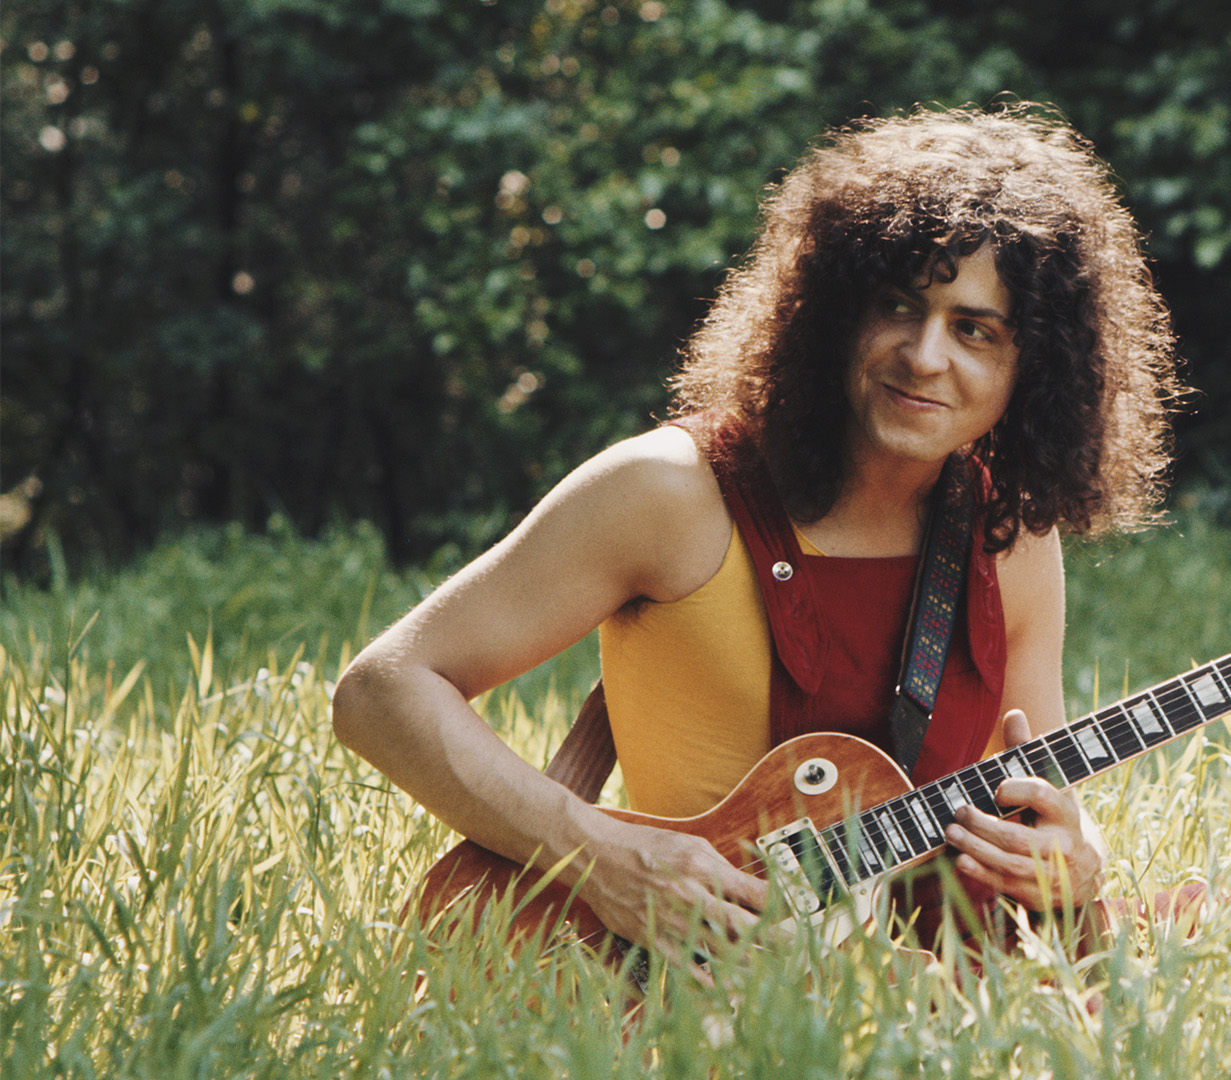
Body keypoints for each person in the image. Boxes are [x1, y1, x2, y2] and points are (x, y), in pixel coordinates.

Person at [331, 104, 1185, 974]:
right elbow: (382, 690)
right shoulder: (669, 490)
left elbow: (1036, 801)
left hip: (943, 1007)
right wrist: (598, 857)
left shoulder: (1010, 533)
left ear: (1032, 369)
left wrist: (1078, 860)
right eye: (898, 305)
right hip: (683, 987)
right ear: (831, 313)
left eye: (976, 329)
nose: (925, 356)